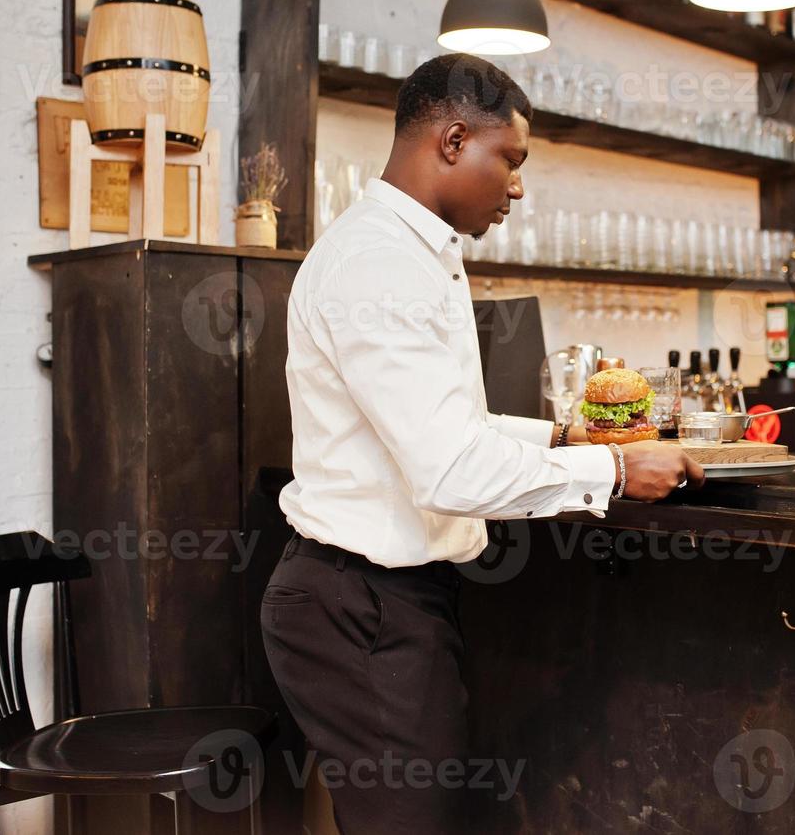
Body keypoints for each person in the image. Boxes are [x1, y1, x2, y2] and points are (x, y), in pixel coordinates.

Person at [261, 52, 703, 833]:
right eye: (513, 160)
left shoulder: (413, 252)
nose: (519, 186)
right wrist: (611, 468)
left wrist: (565, 434)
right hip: (358, 604)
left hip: (380, 599)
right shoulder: (379, 265)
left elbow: (454, 424)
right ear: (454, 140)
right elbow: (450, 470)